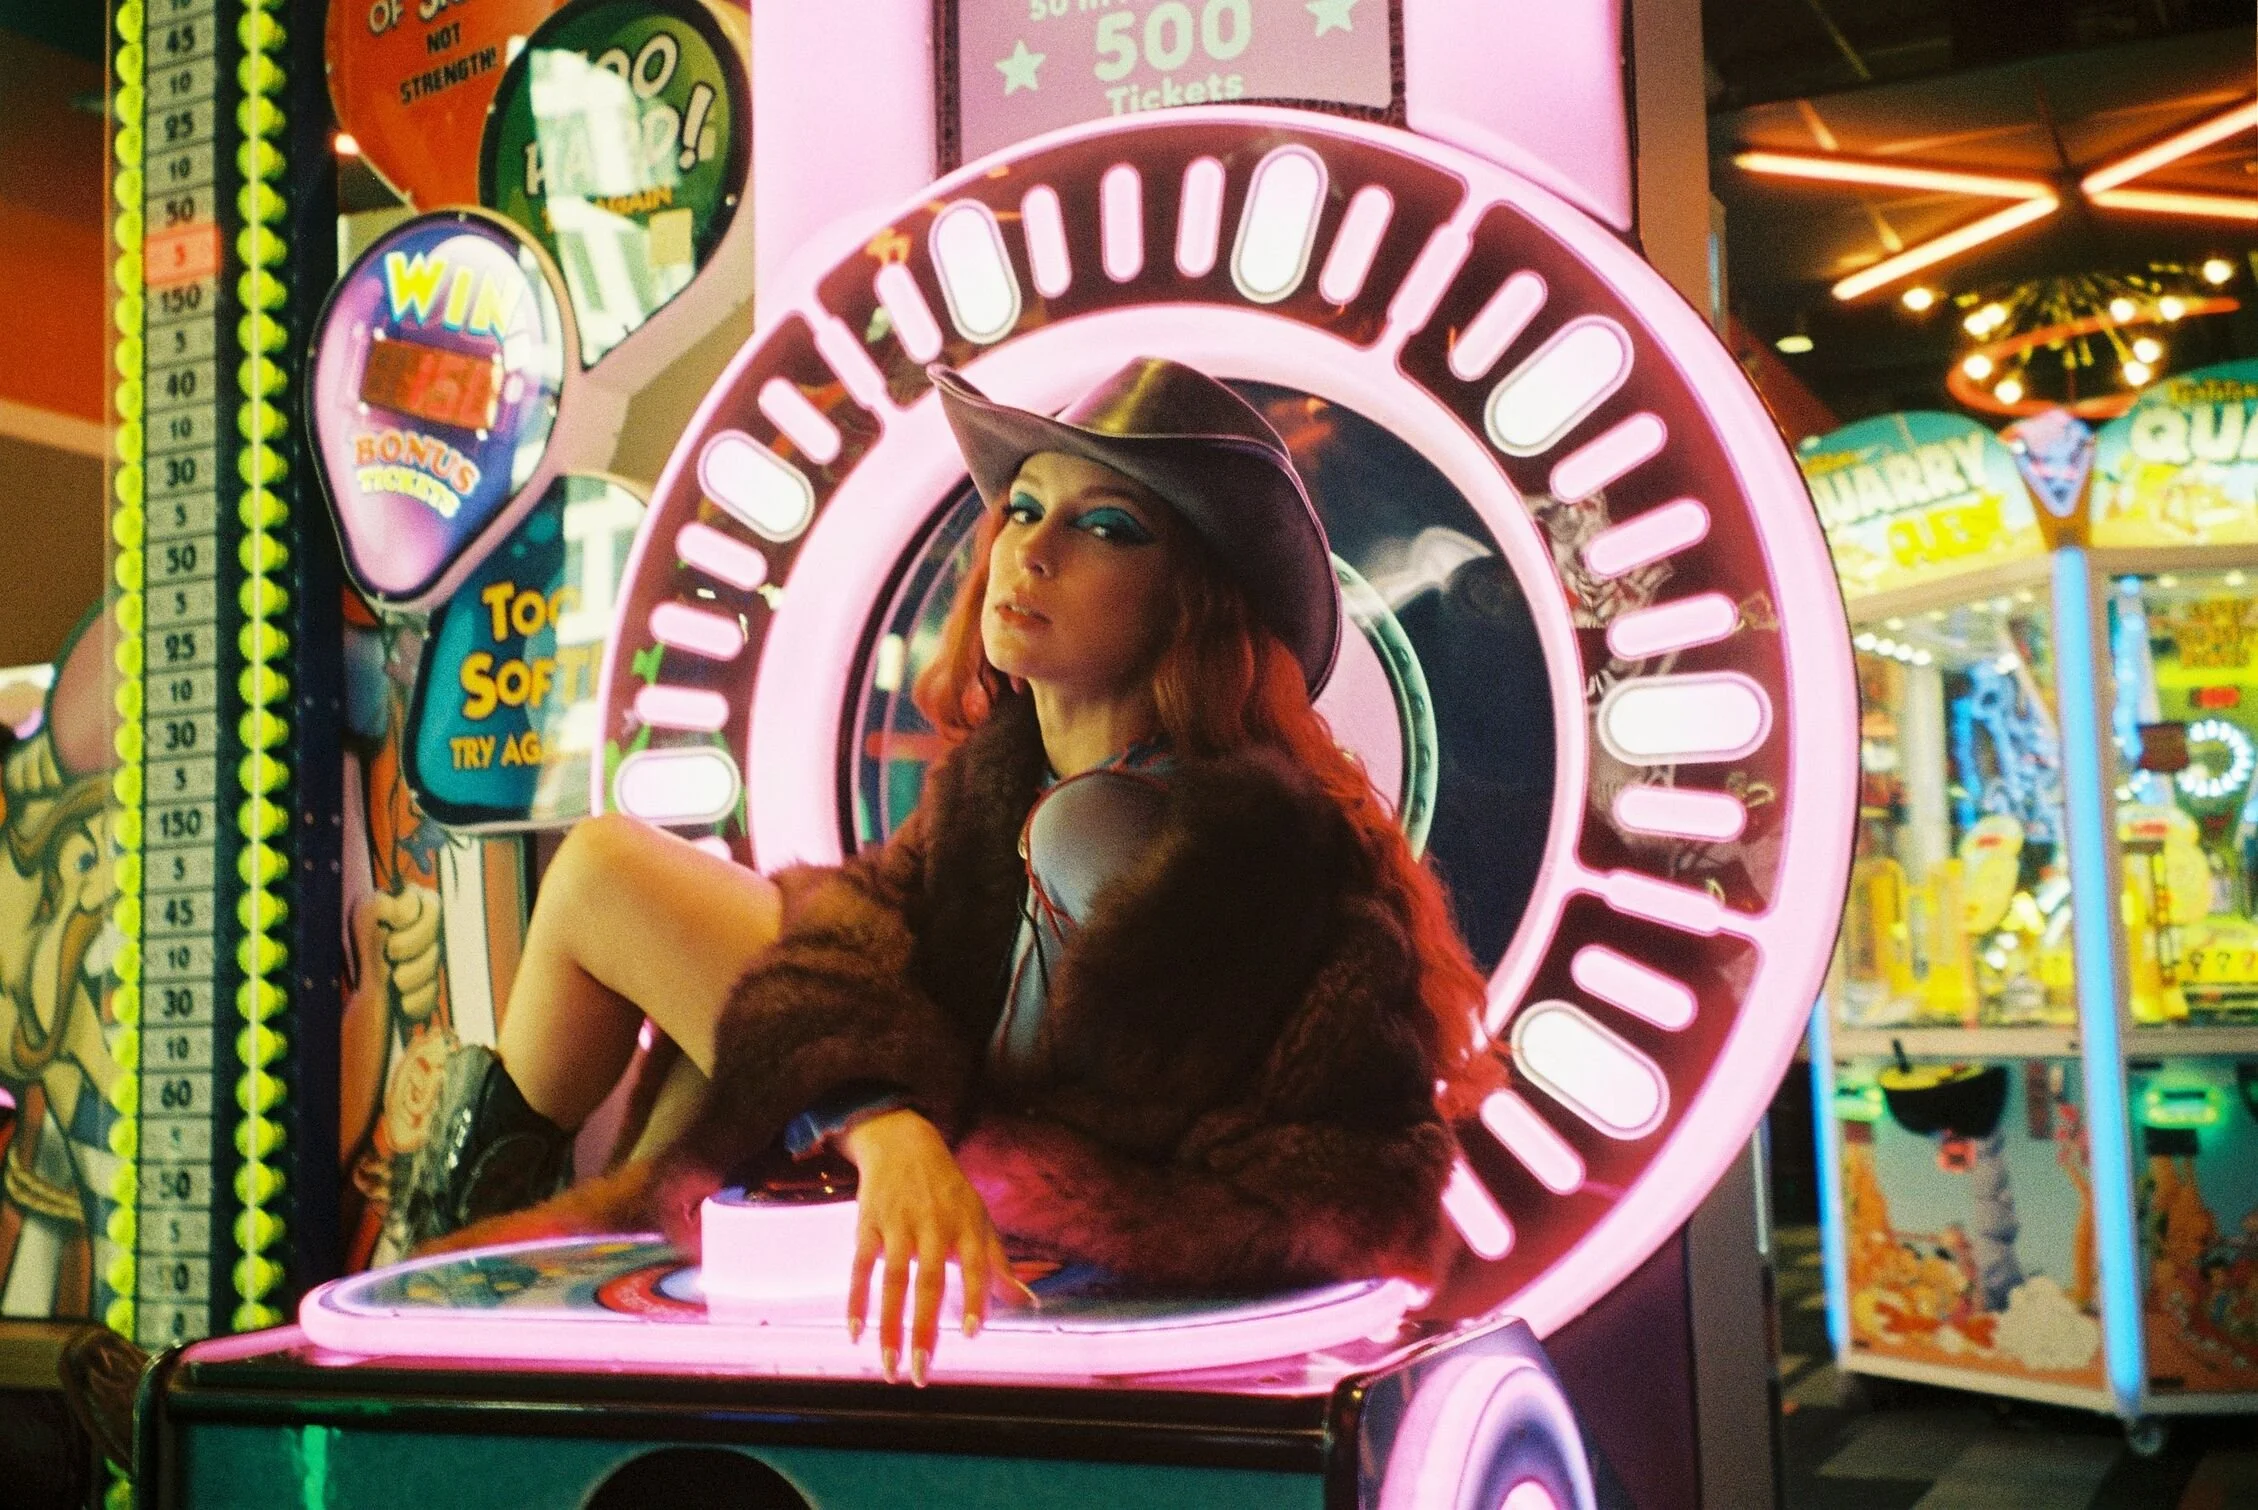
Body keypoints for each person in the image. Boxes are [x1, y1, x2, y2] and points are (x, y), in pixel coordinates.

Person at [395, 357, 1497, 1384]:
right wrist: (884, 1123)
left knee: (607, 883)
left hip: (1057, 1260)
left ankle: (447, 1257)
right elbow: (861, 936)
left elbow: (1308, 1177)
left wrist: (903, 1127)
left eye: (1103, 526)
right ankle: (461, 1251)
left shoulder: (1221, 840)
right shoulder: (997, 785)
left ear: (1191, 599)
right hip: (931, 1176)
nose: (1033, 550)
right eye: (1022, 508)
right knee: (625, 902)